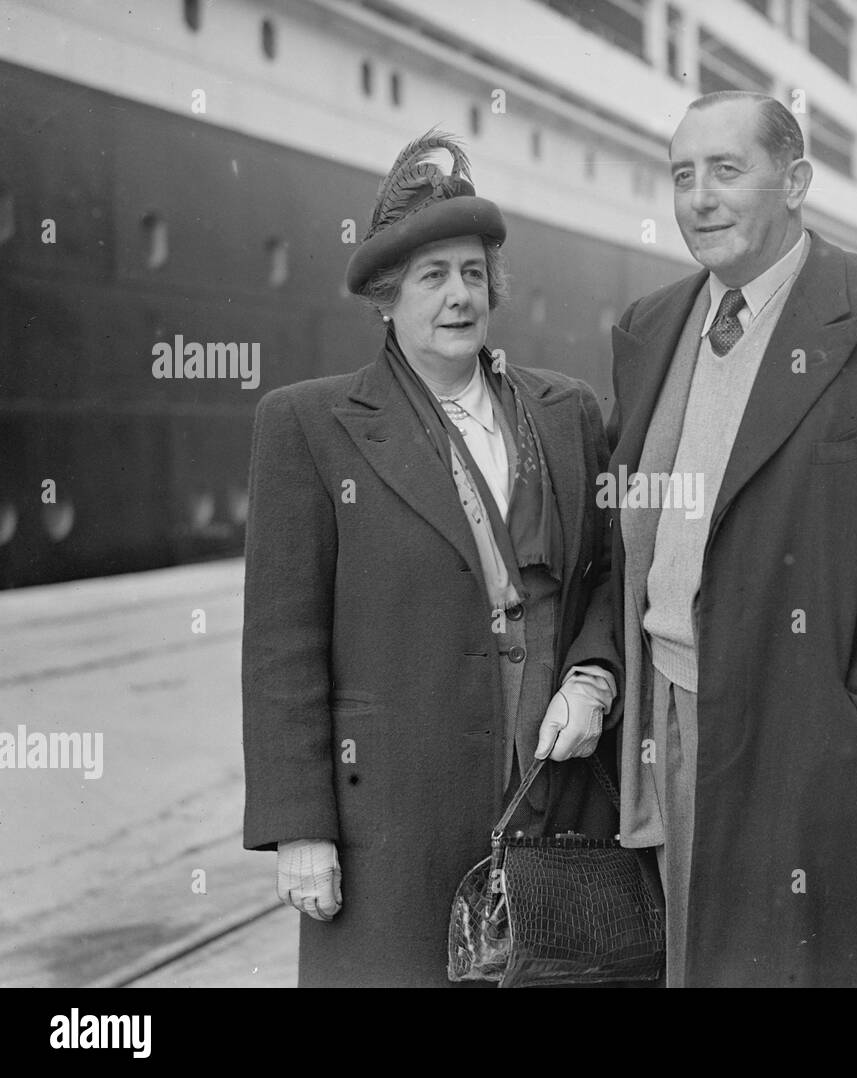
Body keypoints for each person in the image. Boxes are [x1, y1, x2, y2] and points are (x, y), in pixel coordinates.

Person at [568, 91, 857, 987]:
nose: (699, 198)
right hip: (666, 730)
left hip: (815, 734)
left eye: (727, 171)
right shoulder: (651, 328)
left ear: (797, 181)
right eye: (682, 175)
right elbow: (619, 532)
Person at [241, 128, 619, 987]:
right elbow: (281, 645)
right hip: (393, 831)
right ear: (385, 295)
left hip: (555, 808)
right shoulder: (308, 427)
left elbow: (607, 576)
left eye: (474, 274)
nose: (460, 296)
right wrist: (303, 827)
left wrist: (594, 678)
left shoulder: (566, 413)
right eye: (432, 276)